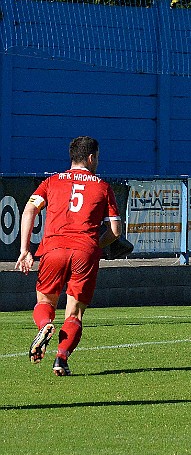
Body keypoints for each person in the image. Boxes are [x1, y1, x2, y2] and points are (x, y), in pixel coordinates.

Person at [16, 135, 122, 376]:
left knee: (44, 303)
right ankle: (61, 359)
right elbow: (115, 231)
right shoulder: (103, 187)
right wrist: (96, 244)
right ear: (92, 157)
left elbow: (30, 208)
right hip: (84, 251)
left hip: (53, 249)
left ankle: (45, 325)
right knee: (74, 313)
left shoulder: (52, 182)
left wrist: (25, 250)